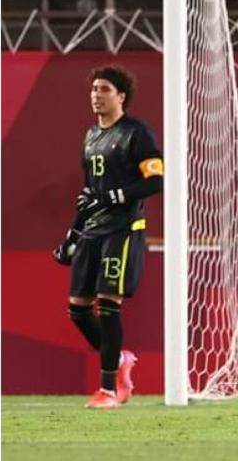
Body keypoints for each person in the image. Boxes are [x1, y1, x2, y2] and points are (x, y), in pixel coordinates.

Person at [54, 66, 162, 409]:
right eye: (94, 89)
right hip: (92, 231)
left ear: (121, 96)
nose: (96, 95)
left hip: (123, 229)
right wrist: (72, 235)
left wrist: (114, 196)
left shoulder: (136, 133)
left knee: (108, 303)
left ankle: (109, 391)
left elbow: (155, 181)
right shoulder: (90, 137)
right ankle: (121, 359)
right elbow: (88, 193)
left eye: (104, 89)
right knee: (78, 309)